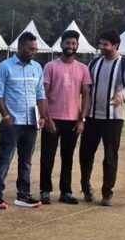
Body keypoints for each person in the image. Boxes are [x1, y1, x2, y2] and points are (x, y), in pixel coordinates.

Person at [79, 29, 125, 206]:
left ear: (116, 45)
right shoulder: (94, 63)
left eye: (105, 44)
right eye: (101, 44)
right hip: (92, 117)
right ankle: (86, 187)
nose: (101, 47)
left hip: (113, 119)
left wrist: (121, 95)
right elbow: (86, 87)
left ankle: (107, 192)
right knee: (85, 154)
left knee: (110, 156)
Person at [0, 32, 47, 209]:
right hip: (12, 122)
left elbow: (40, 94)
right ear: (20, 47)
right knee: (5, 158)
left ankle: (23, 195)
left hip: (31, 122)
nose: (33, 52)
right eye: (30, 49)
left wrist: (43, 116)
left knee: (26, 160)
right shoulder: (5, 66)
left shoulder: (37, 67)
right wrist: (6, 115)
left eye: (35, 49)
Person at [39, 30, 92, 205]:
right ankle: (45, 190)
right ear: (61, 44)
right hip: (53, 119)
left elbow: (86, 95)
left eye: (73, 43)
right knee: (47, 156)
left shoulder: (83, 68)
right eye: (67, 43)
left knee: (68, 157)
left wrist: (82, 120)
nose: (70, 46)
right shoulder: (51, 66)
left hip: (73, 120)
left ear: (77, 46)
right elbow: (43, 93)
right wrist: (47, 118)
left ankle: (66, 191)